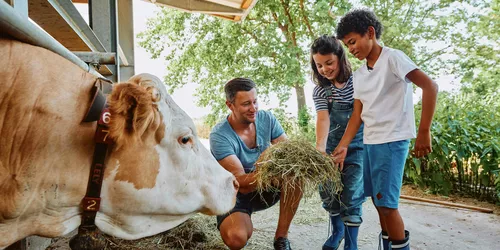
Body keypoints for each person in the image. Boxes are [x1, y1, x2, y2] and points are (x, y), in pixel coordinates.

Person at [332, 8, 439, 250]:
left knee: (388, 205)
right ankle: (388, 245)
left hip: (392, 141)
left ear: (370, 33)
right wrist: (343, 146)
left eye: (353, 42)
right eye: (347, 46)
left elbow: (430, 87)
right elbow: (357, 116)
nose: (351, 49)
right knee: (378, 202)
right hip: (371, 142)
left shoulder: (393, 58)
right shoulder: (359, 76)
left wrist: (424, 131)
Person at [210, 78, 303, 250]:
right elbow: (240, 183)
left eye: (255, 101)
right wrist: (268, 172)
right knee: (236, 239)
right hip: (235, 194)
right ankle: (240, 219)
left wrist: (271, 160)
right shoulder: (219, 135)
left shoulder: (267, 118)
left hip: (266, 186)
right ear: (230, 105)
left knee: (295, 176)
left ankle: (281, 238)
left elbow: (289, 154)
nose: (253, 109)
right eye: (246, 104)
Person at [310, 35, 365, 250]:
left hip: (356, 148)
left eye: (329, 63)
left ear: (341, 58)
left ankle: (351, 243)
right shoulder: (321, 90)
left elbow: (358, 116)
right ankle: (337, 230)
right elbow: (323, 118)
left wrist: (345, 146)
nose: (324, 69)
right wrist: (321, 150)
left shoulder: (358, 81)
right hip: (332, 148)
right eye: (319, 65)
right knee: (328, 190)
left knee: (352, 194)